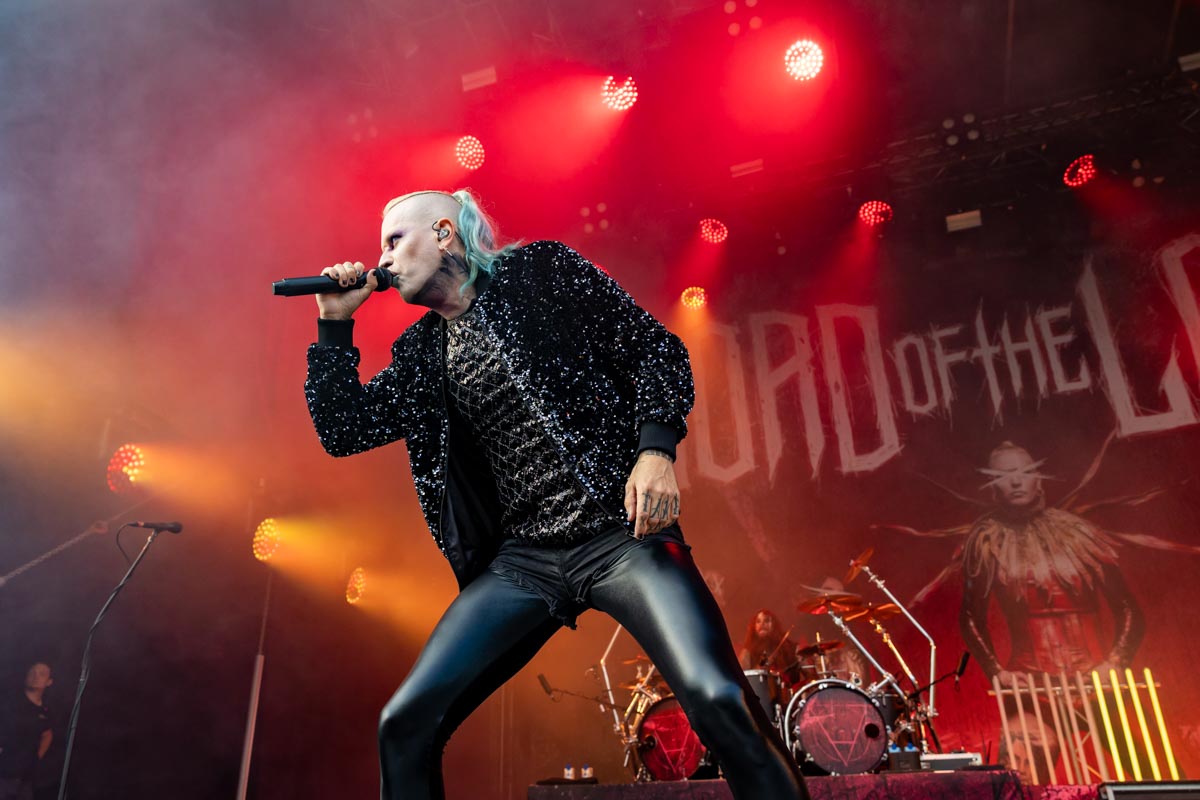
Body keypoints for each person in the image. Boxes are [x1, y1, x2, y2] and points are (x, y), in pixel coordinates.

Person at [303, 189, 808, 800]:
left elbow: (654, 350)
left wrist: (655, 451)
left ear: (442, 233)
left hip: (621, 535)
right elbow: (345, 429)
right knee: (403, 725)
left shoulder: (541, 272)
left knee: (718, 698)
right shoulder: (420, 353)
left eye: (393, 240)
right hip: (525, 563)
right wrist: (335, 323)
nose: (382, 259)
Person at [0, 663, 53, 800]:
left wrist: (36, 758)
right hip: (3, 775)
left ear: (49, 682)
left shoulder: (45, 710)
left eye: (41, 673)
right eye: (32, 672)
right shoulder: (10, 701)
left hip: (25, 780)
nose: (35, 676)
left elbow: (47, 734)